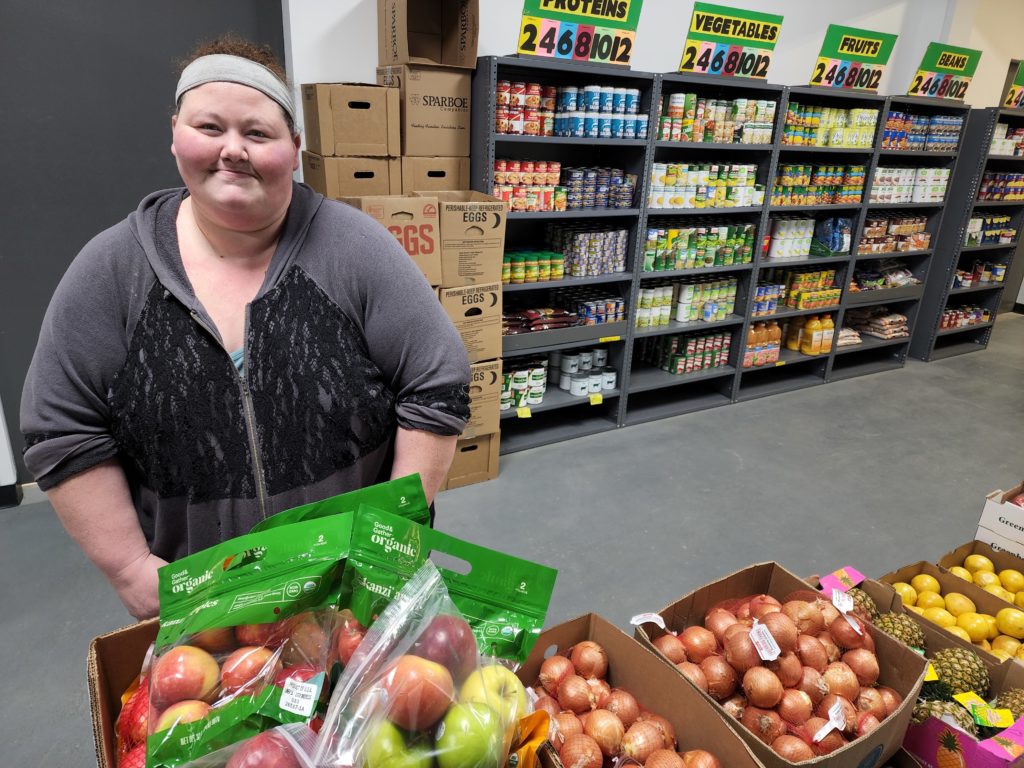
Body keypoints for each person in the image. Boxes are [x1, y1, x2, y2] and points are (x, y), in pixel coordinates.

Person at [20, 36, 471, 620]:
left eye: (258, 133)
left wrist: (391, 537)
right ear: (175, 133)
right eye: (210, 127)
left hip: (352, 592)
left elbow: (437, 383)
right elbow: (61, 428)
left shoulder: (355, 250)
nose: (233, 150)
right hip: (206, 610)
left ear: (294, 149)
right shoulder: (113, 270)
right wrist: (129, 567)